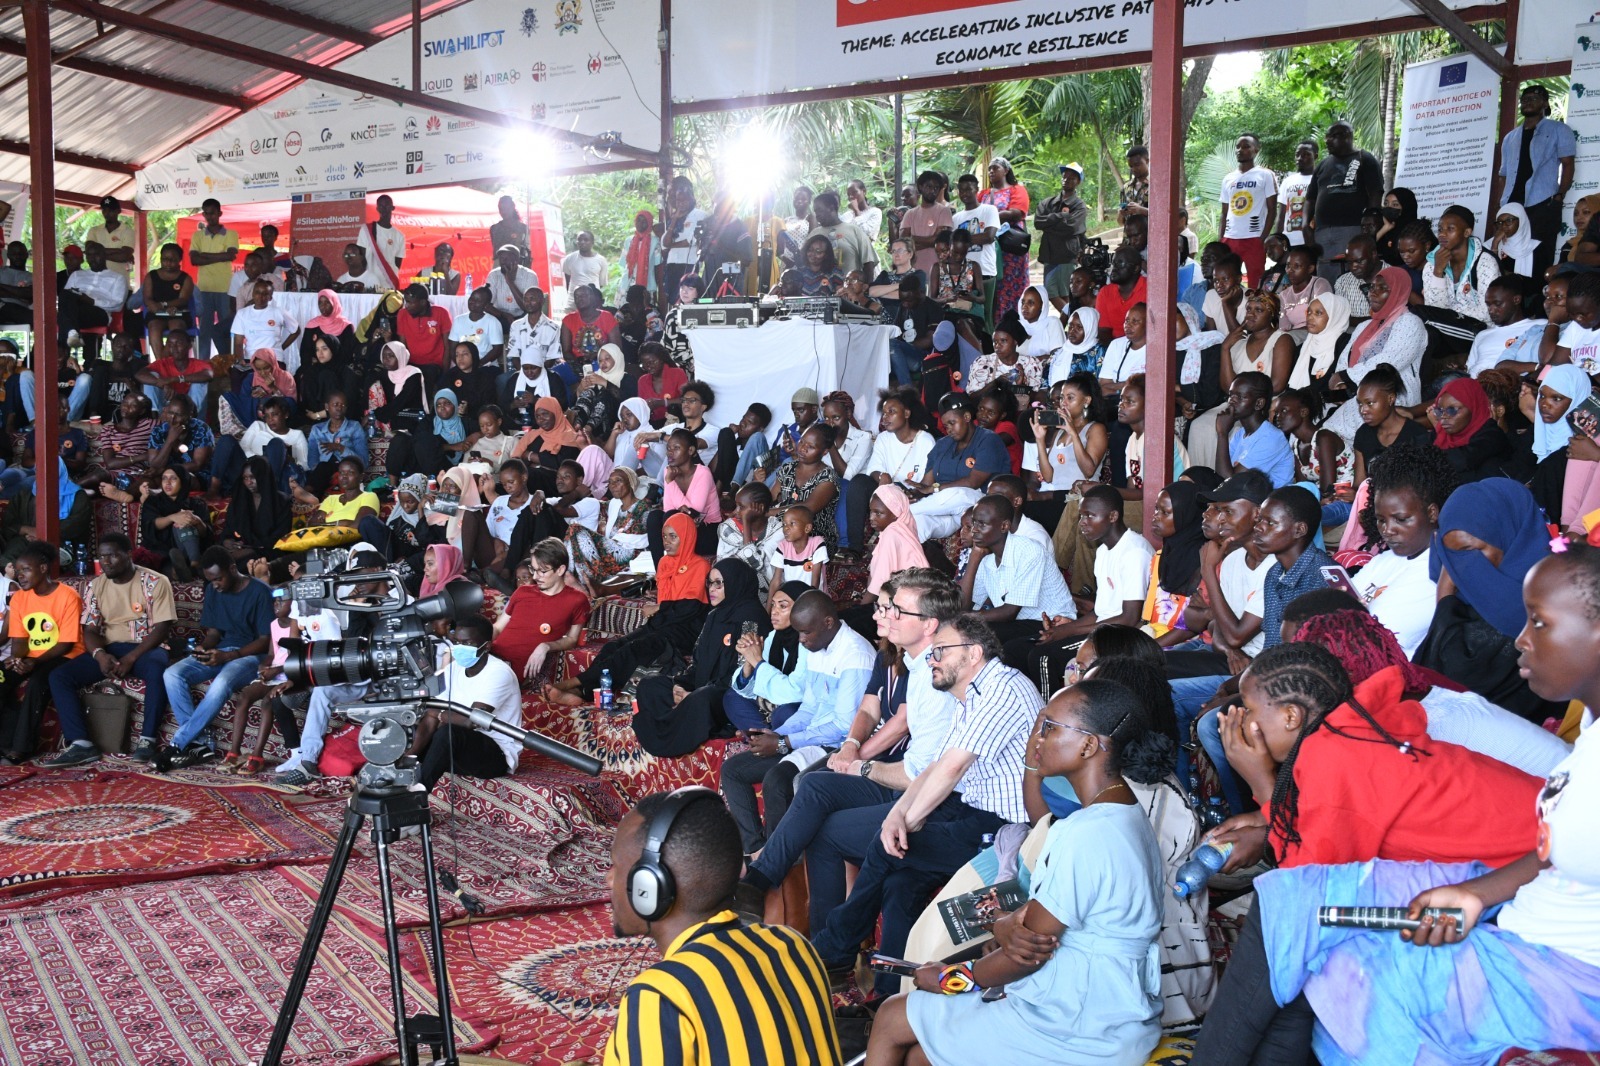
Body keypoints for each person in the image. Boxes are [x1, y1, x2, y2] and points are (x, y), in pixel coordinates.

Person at [866, 677, 1165, 1066]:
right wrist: (1007, 924)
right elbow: (1052, 922)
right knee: (920, 1056)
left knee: (892, 1015)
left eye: (1049, 727)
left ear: (1089, 746)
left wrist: (949, 978)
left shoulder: (1087, 832)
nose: (1035, 738)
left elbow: (1028, 953)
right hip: (1110, 1010)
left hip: (1079, 1024)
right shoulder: (1122, 813)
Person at [809, 614, 1042, 996]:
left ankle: (833, 950)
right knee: (900, 881)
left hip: (1003, 827)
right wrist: (898, 815)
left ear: (973, 654)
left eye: (941, 651)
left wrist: (904, 822)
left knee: (886, 848)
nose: (931, 659)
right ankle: (889, 995)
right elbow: (936, 765)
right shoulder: (972, 693)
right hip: (973, 812)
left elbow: (951, 768)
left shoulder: (1003, 688)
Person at [602, 789, 841, 1066]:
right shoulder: (793, 946)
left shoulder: (662, 996)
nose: (609, 879)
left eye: (616, 866)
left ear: (650, 883)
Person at [1414, 478, 1564, 724]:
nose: (1463, 567)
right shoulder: (1467, 594)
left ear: (1508, 533)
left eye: (1472, 551)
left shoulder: (1548, 600)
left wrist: (1445, 596)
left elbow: (1454, 678)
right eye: (1451, 554)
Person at [546, 512, 711, 707]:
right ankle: (582, 692)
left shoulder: (700, 566)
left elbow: (692, 607)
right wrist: (660, 608)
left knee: (633, 650)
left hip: (685, 629)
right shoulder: (665, 563)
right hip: (663, 622)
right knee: (612, 646)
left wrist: (659, 607)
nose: (666, 541)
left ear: (687, 536)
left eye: (673, 536)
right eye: (664, 536)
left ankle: (572, 683)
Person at [632, 558, 771, 760]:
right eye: (710, 582)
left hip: (728, 694)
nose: (711, 589)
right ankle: (680, 715)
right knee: (650, 685)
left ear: (735, 583)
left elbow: (743, 676)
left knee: (703, 698)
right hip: (702, 688)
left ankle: (682, 719)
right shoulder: (714, 616)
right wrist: (680, 686)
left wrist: (694, 694)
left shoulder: (752, 620)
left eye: (719, 583)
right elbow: (697, 664)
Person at [153, 547, 273, 770]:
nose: (215, 584)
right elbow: (214, 633)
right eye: (211, 580)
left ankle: (177, 744)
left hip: (251, 656)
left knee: (222, 682)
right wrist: (204, 648)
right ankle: (199, 743)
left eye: (218, 578)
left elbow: (266, 640)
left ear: (233, 569)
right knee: (172, 674)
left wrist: (230, 655)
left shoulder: (259, 592)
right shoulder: (213, 590)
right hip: (222, 651)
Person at [406, 614, 524, 791]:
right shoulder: (455, 668)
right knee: (412, 729)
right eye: (457, 642)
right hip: (463, 749)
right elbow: (430, 716)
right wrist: (409, 756)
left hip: (496, 754)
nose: (460, 648)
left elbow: (472, 721)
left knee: (448, 733)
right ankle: (398, 776)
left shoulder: (499, 672)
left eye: (467, 643)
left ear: (487, 646)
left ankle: (419, 793)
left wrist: (439, 714)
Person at [0, 543, 82, 764]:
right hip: (31, 657)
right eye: (18, 571)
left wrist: (33, 662)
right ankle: (5, 742)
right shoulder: (19, 598)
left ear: (43, 568)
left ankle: (21, 748)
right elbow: (19, 640)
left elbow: (65, 644)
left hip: (62, 656)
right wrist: (18, 660)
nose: (20, 576)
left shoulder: (68, 596)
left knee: (37, 683)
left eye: (26, 570)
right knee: (2, 677)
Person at [1493, 84, 1576, 283]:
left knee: (1540, 254)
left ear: (1545, 103)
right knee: (1507, 254)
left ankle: (1537, 296)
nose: (1527, 101)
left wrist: (1559, 196)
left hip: (1543, 202)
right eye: (1525, 98)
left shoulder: (1559, 129)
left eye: (1534, 98)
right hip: (1512, 206)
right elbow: (1503, 175)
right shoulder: (1510, 138)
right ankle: (1512, 293)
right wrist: (1501, 203)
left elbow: (1568, 164)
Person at [906, 393, 1012, 541]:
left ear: (967, 417)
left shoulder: (988, 440)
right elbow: (926, 483)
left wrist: (935, 488)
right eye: (946, 426)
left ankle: (902, 511)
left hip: (979, 504)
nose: (949, 429)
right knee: (915, 523)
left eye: (952, 423)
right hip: (945, 509)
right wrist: (915, 493)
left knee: (957, 494)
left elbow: (973, 482)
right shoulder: (942, 444)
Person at [490, 536, 589, 681]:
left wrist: (546, 646)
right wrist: (480, 645)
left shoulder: (577, 600)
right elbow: (498, 628)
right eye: (533, 569)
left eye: (542, 571)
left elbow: (572, 639)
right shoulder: (522, 592)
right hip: (492, 658)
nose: (535, 576)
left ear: (560, 570)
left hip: (514, 672)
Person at [1328, 266, 1426, 408]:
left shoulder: (1410, 322)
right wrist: (1341, 384)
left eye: (1382, 288)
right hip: (1357, 393)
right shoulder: (1364, 326)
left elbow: (1388, 362)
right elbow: (1345, 358)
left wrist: (1346, 376)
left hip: (1393, 398)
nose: (1373, 292)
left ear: (1398, 291)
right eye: (1372, 287)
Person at [1305, 121, 1383, 284]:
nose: (1327, 140)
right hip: (1322, 232)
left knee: (1352, 275)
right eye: (1327, 137)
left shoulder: (1364, 158)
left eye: (1332, 136)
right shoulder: (1323, 164)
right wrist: (1305, 225)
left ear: (1348, 136)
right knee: (1325, 279)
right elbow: (1310, 198)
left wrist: (1370, 222)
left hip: (1352, 228)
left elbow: (1376, 192)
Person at [1256, 487, 1333, 649]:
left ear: (1299, 530)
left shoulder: (1323, 577)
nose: (1258, 528)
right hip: (1271, 661)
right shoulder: (1274, 573)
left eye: (1270, 523)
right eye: (1259, 520)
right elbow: (1271, 642)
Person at [1419, 204, 1499, 355]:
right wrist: (1438, 272)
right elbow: (1433, 308)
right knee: (1425, 330)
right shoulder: (1432, 265)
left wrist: (1451, 314)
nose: (1442, 234)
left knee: (1419, 315)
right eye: (1440, 229)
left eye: (1450, 229)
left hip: (1480, 331)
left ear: (1467, 232)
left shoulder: (1485, 262)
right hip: (1447, 329)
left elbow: (1488, 312)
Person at [1214, 372, 1295, 488]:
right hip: (1244, 495)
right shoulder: (1240, 434)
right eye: (1231, 395)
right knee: (1198, 474)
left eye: (1240, 397)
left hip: (1271, 498)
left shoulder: (1271, 438)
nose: (1231, 400)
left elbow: (1232, 484)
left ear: (1259, 403)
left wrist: (1222, 433)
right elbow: (1220, 476)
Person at [1218, 133, 1278, 285]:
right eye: (1238, 147)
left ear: (1256, 150)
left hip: (1254, 237)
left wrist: (1262, 238)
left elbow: (1272, 209)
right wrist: (1221, 241)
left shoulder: (1265, 175)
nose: (1240, 150)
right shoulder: (1228, 178)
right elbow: (1224, 212)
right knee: (1228, 280)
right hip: (1230, 238)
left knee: (1255, 282)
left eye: (1246, 147)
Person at [1431, 376, 1512, 482]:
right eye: (1439, 411)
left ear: (1473, 406)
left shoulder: (1492, 435)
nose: (1444, 416)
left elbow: (1462, 459)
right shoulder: (1442, 433)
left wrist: (1424, 459)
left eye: (1452, 410)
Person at [981, 157, 1032, 320]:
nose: (991, 171)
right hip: (989, 248)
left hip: (1010, 249)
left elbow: (1016, 213)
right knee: (993, 287)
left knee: (1012, 286)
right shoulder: (983, 194)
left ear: (1006, 170)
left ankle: (1013, 324)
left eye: (995, 168)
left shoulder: (1017, 190)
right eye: (989, 169)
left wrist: (990, 216)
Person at [189, 198, 239, 359]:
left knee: (227, 329)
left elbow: (230, 255)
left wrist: (204, 256)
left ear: (220, 213)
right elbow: (194, 260)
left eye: (212, 213)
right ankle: (203, 364)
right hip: (204, 288)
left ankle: (228, 363)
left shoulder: (231, 234)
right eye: (206, 213)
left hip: (225, 289)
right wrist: (221, 256)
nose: (209, 216)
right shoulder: (197, 236)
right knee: (205, 330)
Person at [221, 455, 291, 565]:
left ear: (263, 476)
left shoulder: (282, 502)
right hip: (242, 551)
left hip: (270, 554)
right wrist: (228, 541)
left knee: (235, 564)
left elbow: (279, 538)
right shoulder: (238, 502)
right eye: (245, 478)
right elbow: (229, 530)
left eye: (253, 477)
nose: (249, 482)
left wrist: (251, 550)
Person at [57, 241, 128, 350]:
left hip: (99, 312)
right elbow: (66, 298)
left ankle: (67, 344)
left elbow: (118, 305)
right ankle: (73, 335)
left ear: (104, 255)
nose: (92, 258)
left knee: (63, 316)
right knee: (65, 294)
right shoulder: (77, 275)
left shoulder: (118, 278)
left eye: (96, 254)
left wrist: (93, 301)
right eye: (89, 255)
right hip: (77, 309)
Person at [1035, 163, 1089, 305]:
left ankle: (1070, 316)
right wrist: (1061, 217)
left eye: (1071, 178)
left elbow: (1071, 228)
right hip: (1049, 255)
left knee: (1066, 293)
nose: (1066, 180)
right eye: (1064, 177)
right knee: (1050, 292)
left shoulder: (1079, 205)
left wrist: (1049, 225)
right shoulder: (1048, 203)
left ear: (1078, 182)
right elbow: (1038, 222)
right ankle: (1069, 316)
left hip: (1067, 255)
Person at [808, 190, 876, 281]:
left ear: (831, 208)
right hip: (820, 287)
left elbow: (868, 263)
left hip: (849, 287)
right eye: (815, 211)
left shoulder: (854, 231)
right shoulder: (814, 234)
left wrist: (867, 286)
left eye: (819, 210)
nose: (817, 215)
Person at [140, 241, 194, 353]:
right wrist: (152, 305)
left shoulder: (186, 278)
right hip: (156, 314)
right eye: (165, 259)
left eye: (172, 260)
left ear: (179, 260)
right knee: (154, 327)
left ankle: (162, 362)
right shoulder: (151, 276)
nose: (168, 263)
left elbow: (183, 300)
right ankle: (162, 362)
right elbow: (147, 298)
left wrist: (163, 305)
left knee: (176, 329)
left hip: (178, 313)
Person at [966, 316, 1041, 392]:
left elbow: (1037, 396)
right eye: (995, 342)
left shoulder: (1031, 363)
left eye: (1003, 341)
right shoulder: (983, 362)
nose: (997, 346)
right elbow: (973, 396)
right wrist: (995, 383)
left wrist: (1021, 386)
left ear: (1015, 341)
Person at [1094, 244, 1148, 346]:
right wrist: (1118, 351)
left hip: (1144, 347)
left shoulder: (1150, 289)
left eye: (1120, 264)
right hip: (1114, 348)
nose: (1114, 268)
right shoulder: (1105, 292)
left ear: (1136, 268)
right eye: (1113, 264)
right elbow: (1103, 332)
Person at [486, 244, 542, 324]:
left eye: (506, 259)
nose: (502, 262)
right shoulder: (494, 275)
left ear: (516, 260)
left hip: (523, 317)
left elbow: (527, 307)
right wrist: (503, 315)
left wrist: (510, 282)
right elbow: (486, 305)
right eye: (501, 258)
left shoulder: (530, 275)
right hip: (499, 316)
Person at [1277, 139, 1317, 235]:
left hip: (1313, 238)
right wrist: (1278, 237)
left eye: (1305, 154)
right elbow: (1281, 215)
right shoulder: (1287, 181)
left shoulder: (1320, 180)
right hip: (1289, 238)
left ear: (1315, 156)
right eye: (1297, 154)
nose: (1299, 158)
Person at [488, 195, 531, 266]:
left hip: (518, 267)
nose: (503, 211)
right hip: (499, 267)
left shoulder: (522, 228)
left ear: (513, 207)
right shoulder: (494, 229)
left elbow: (527, 253)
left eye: (506, 208)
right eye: (501, 209)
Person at [1119, 145, 1150, 222]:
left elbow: (1164, 215)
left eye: (1137, 165)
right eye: (1131, 166)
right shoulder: (1126, 187)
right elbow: (1120, 222)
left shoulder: (1156, 185)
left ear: (1147, 161)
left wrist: (1141, 210)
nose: (1133, 169)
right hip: (1129, 229)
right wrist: (1121, 213)